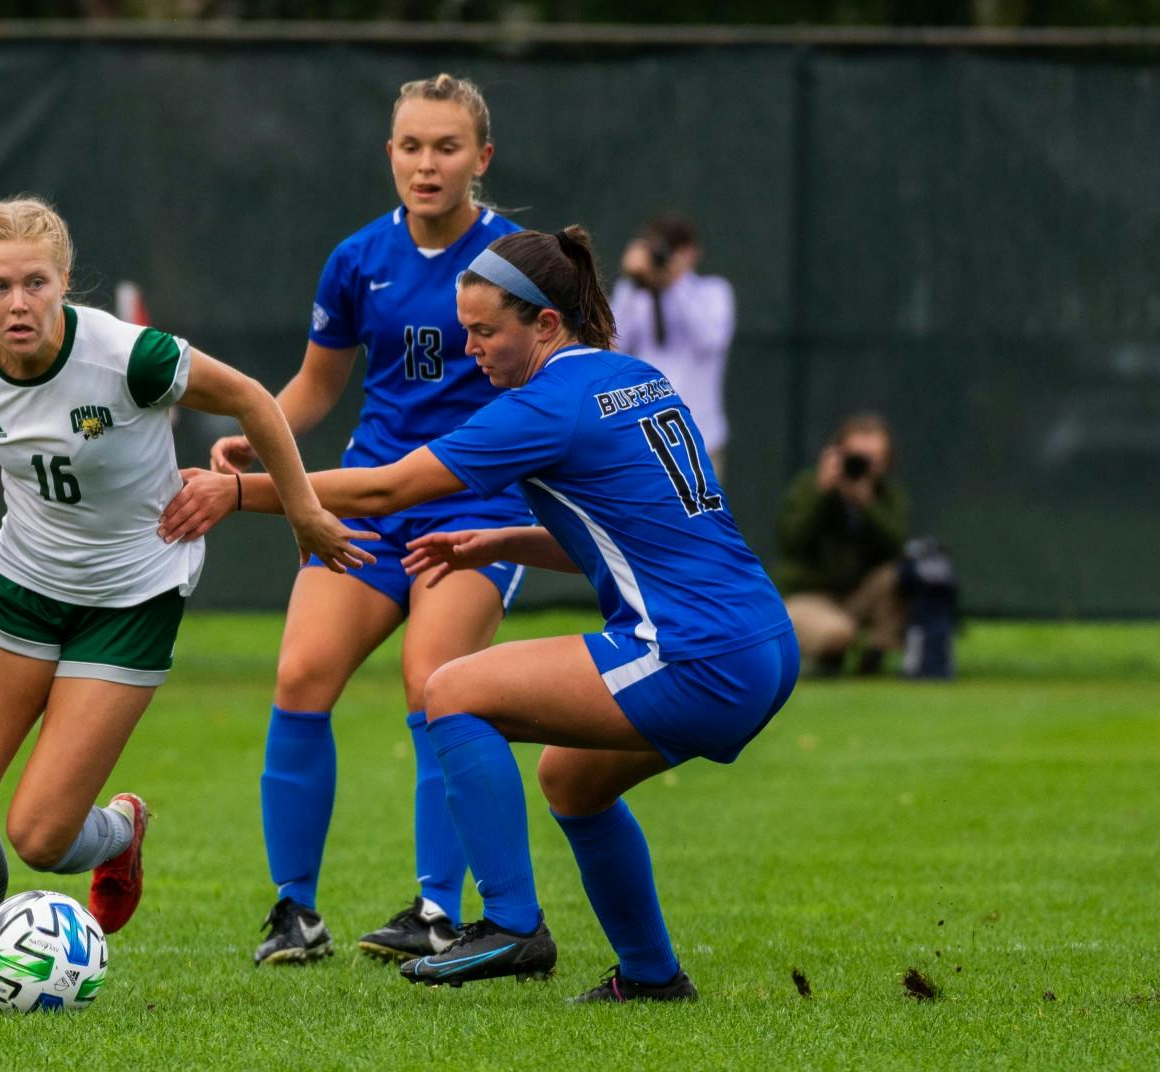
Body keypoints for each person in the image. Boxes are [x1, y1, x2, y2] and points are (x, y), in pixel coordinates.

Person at [163, 226, 798, 1002]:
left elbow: (387, 487)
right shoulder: (635, 378)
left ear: (546, 325)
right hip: (763, 643)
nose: (471, 350)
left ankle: (511, 924)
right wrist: (506, 540)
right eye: (466, 330)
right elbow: (636, 537)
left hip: (694, 654)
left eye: (486, 331)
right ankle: (652, 976)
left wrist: (241, 493)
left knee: (452, 690)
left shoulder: (546, 404)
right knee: (571, 781)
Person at [0, 196, 372, 1009]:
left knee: (42, 837)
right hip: (21, 589)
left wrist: (300, 510)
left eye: (35, 283)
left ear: (63, 284)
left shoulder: (130, 357)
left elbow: (254, 401)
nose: (17, 303)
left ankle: (121, 829)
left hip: (131, 596)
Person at [204, 73, 536, 968]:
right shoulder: (358, 259)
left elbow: (556, 382)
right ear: (388, 154)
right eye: (411, 146)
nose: (427, 164)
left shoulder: (519, 263)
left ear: (483, 157)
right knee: (302, 673)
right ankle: (295, 911)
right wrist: (259, 438)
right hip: (369, 500)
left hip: (478, 502)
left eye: (447, 147)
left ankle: (435, 909)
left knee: (436, 683)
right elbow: (318, 385)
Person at [774, 414, 910, 676]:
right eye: (857, 458)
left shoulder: (887, 497)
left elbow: (897, 545)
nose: (863, 467)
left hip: (856, 596)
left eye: (874, 460)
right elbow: (791, 540)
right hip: (809, 595)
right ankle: (821, 653)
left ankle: (875, 653)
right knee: (838, 634)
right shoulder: (809, 487)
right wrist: (822, 494)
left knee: (899, 576)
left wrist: (867, 506)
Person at [611, 214, 736, 478]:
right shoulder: (636, 295)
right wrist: (635, 282)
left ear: (691, 253)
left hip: (700, 435)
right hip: (644, 435)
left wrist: (675, 283)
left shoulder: (712, 292)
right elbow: (612, 345)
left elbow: (710, 339)